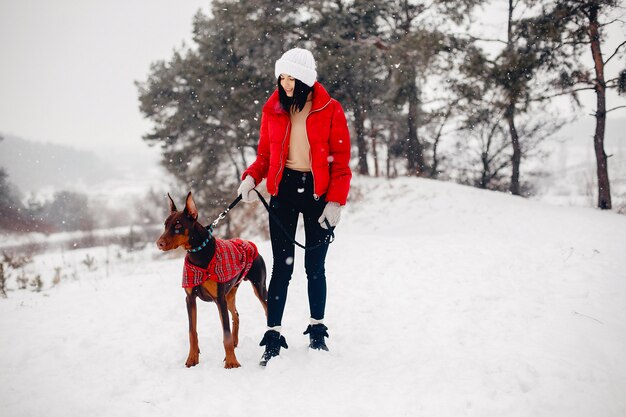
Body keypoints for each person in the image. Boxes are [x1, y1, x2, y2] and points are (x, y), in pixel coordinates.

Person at [237, 47, 352, 365]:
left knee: (314, 268)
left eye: (291, 78)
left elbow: (341, 162)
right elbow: (264, 155)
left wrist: (336, 201)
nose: (285, 84)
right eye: (282, 77)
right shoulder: (273, 108)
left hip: (317, 195)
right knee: (281, 268)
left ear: (305, 80)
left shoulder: (330, 109)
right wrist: (251, 178)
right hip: (284, 192)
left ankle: (317, 330)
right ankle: (273, 334)